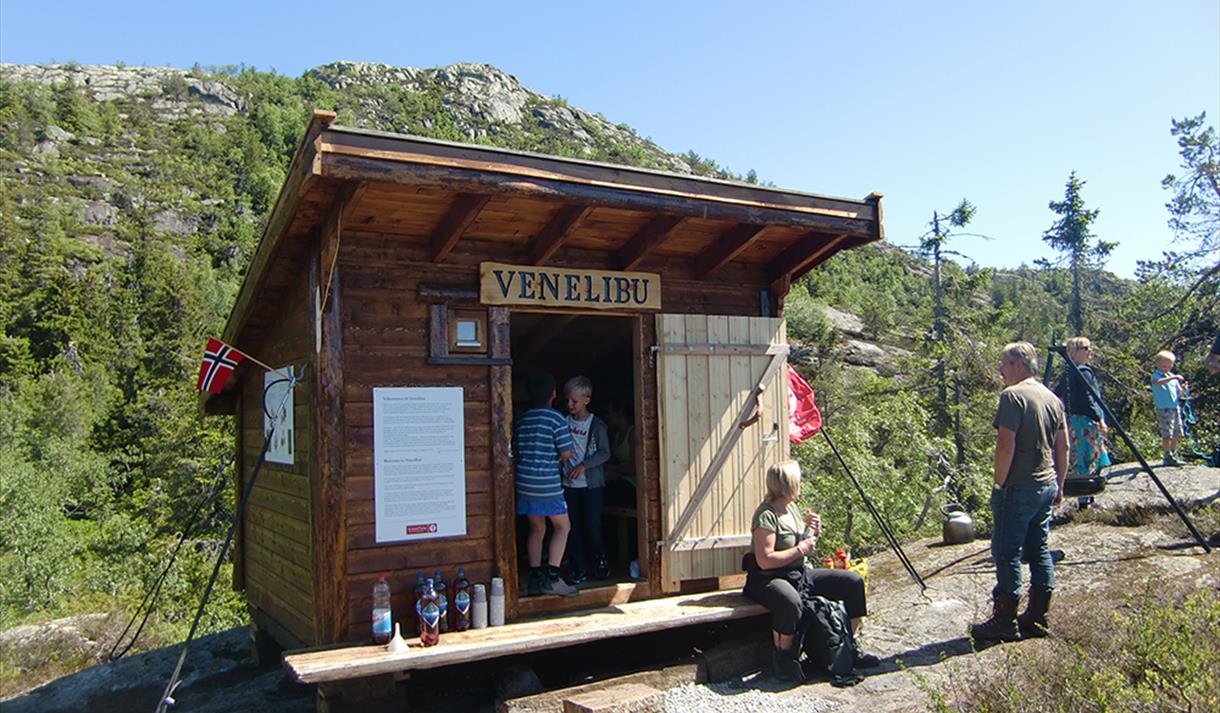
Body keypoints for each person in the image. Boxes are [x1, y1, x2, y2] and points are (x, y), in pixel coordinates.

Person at [743, 460, 879, 682]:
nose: (801, 483)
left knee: (852, 582)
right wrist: (800, 549)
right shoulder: (766, 515)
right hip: (768, 578)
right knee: (790, 602)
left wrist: (813, 530)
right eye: (798, 480)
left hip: (798, 573)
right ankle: (784, 659)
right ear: (789, 484)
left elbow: (803, 545)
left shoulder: (791, 508)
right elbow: (765, 560)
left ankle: (849, 647)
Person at [971, 342, 1068, 643]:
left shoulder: (1012, 396)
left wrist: (999, 484)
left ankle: (1004, 622)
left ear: (1018, 364)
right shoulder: (1052, 398)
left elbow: (1005, 444)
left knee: (1007, 552)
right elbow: (1063, 446)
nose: (1000, 370)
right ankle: (1038, 617)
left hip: (1018, 487)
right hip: (1046, 485)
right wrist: (1060, 484)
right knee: (1039, 549)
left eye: (1003, 363)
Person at [514, 371, 578, 597]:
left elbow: (518, 450)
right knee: (563, 527)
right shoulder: (556, 419)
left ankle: (534, 579)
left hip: (525, 482)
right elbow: (567, 452)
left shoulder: (523, 419)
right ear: (553, 394)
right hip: (547, 483)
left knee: (537, 528)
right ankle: (553, 578)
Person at [561, 376, 612, 584]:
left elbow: (605, 453)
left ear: (586, 400)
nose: (570, 404)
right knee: (572, 528)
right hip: (568, 485)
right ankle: (578, 568)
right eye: (567, 400)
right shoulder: (563, 422)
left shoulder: (597, 425)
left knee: (593, 525)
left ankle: (601, 561)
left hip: (591, 485)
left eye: (574, 401)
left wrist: (584, 465)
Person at [1052, 337, 1110, 507]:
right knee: (1090, 458)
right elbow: (1088, 399)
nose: (1090, 351)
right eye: (1085, 348)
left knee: (1078, 458)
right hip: (1086, 422)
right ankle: (1086, 500)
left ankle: (1084, 500)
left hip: (1072, 422)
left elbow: (1056, 394)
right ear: (1075, 351)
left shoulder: (1068, 372)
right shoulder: (1084, 372)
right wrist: (1099, 419)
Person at [1151, 350, 1187, 467]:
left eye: (1169, 366)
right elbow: (1158, 383)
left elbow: (1180, 393)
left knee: (1176, 432)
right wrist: (1173, 378)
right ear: (1157, 364)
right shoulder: (1156, 376)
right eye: (1164, 366)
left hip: (1174, 408)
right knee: (1167, 434)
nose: (1166, 368)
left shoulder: (1172, 377)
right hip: (1164, 408)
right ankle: (1167, 455)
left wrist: (1183, 387)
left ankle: (1173, 453)